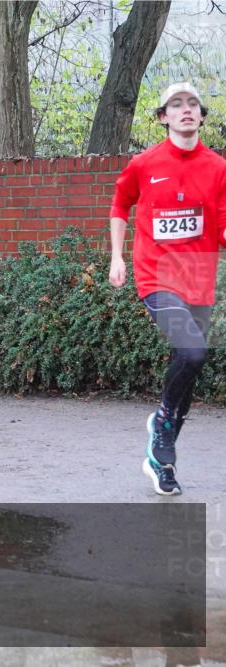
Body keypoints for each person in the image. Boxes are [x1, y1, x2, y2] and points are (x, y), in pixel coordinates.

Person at [108, 82, 226, 495]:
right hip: (157, 277)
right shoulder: (144, 164)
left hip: (199, 279)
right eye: (176, 104)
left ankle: (161, 459)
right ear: (163, 117)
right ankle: (161, 421)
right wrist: (117, 257)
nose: (186, 109)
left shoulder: (218, 167)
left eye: (193, 103)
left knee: (188, 367)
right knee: (194, 351)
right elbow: (121, 204)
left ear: (201, 115)